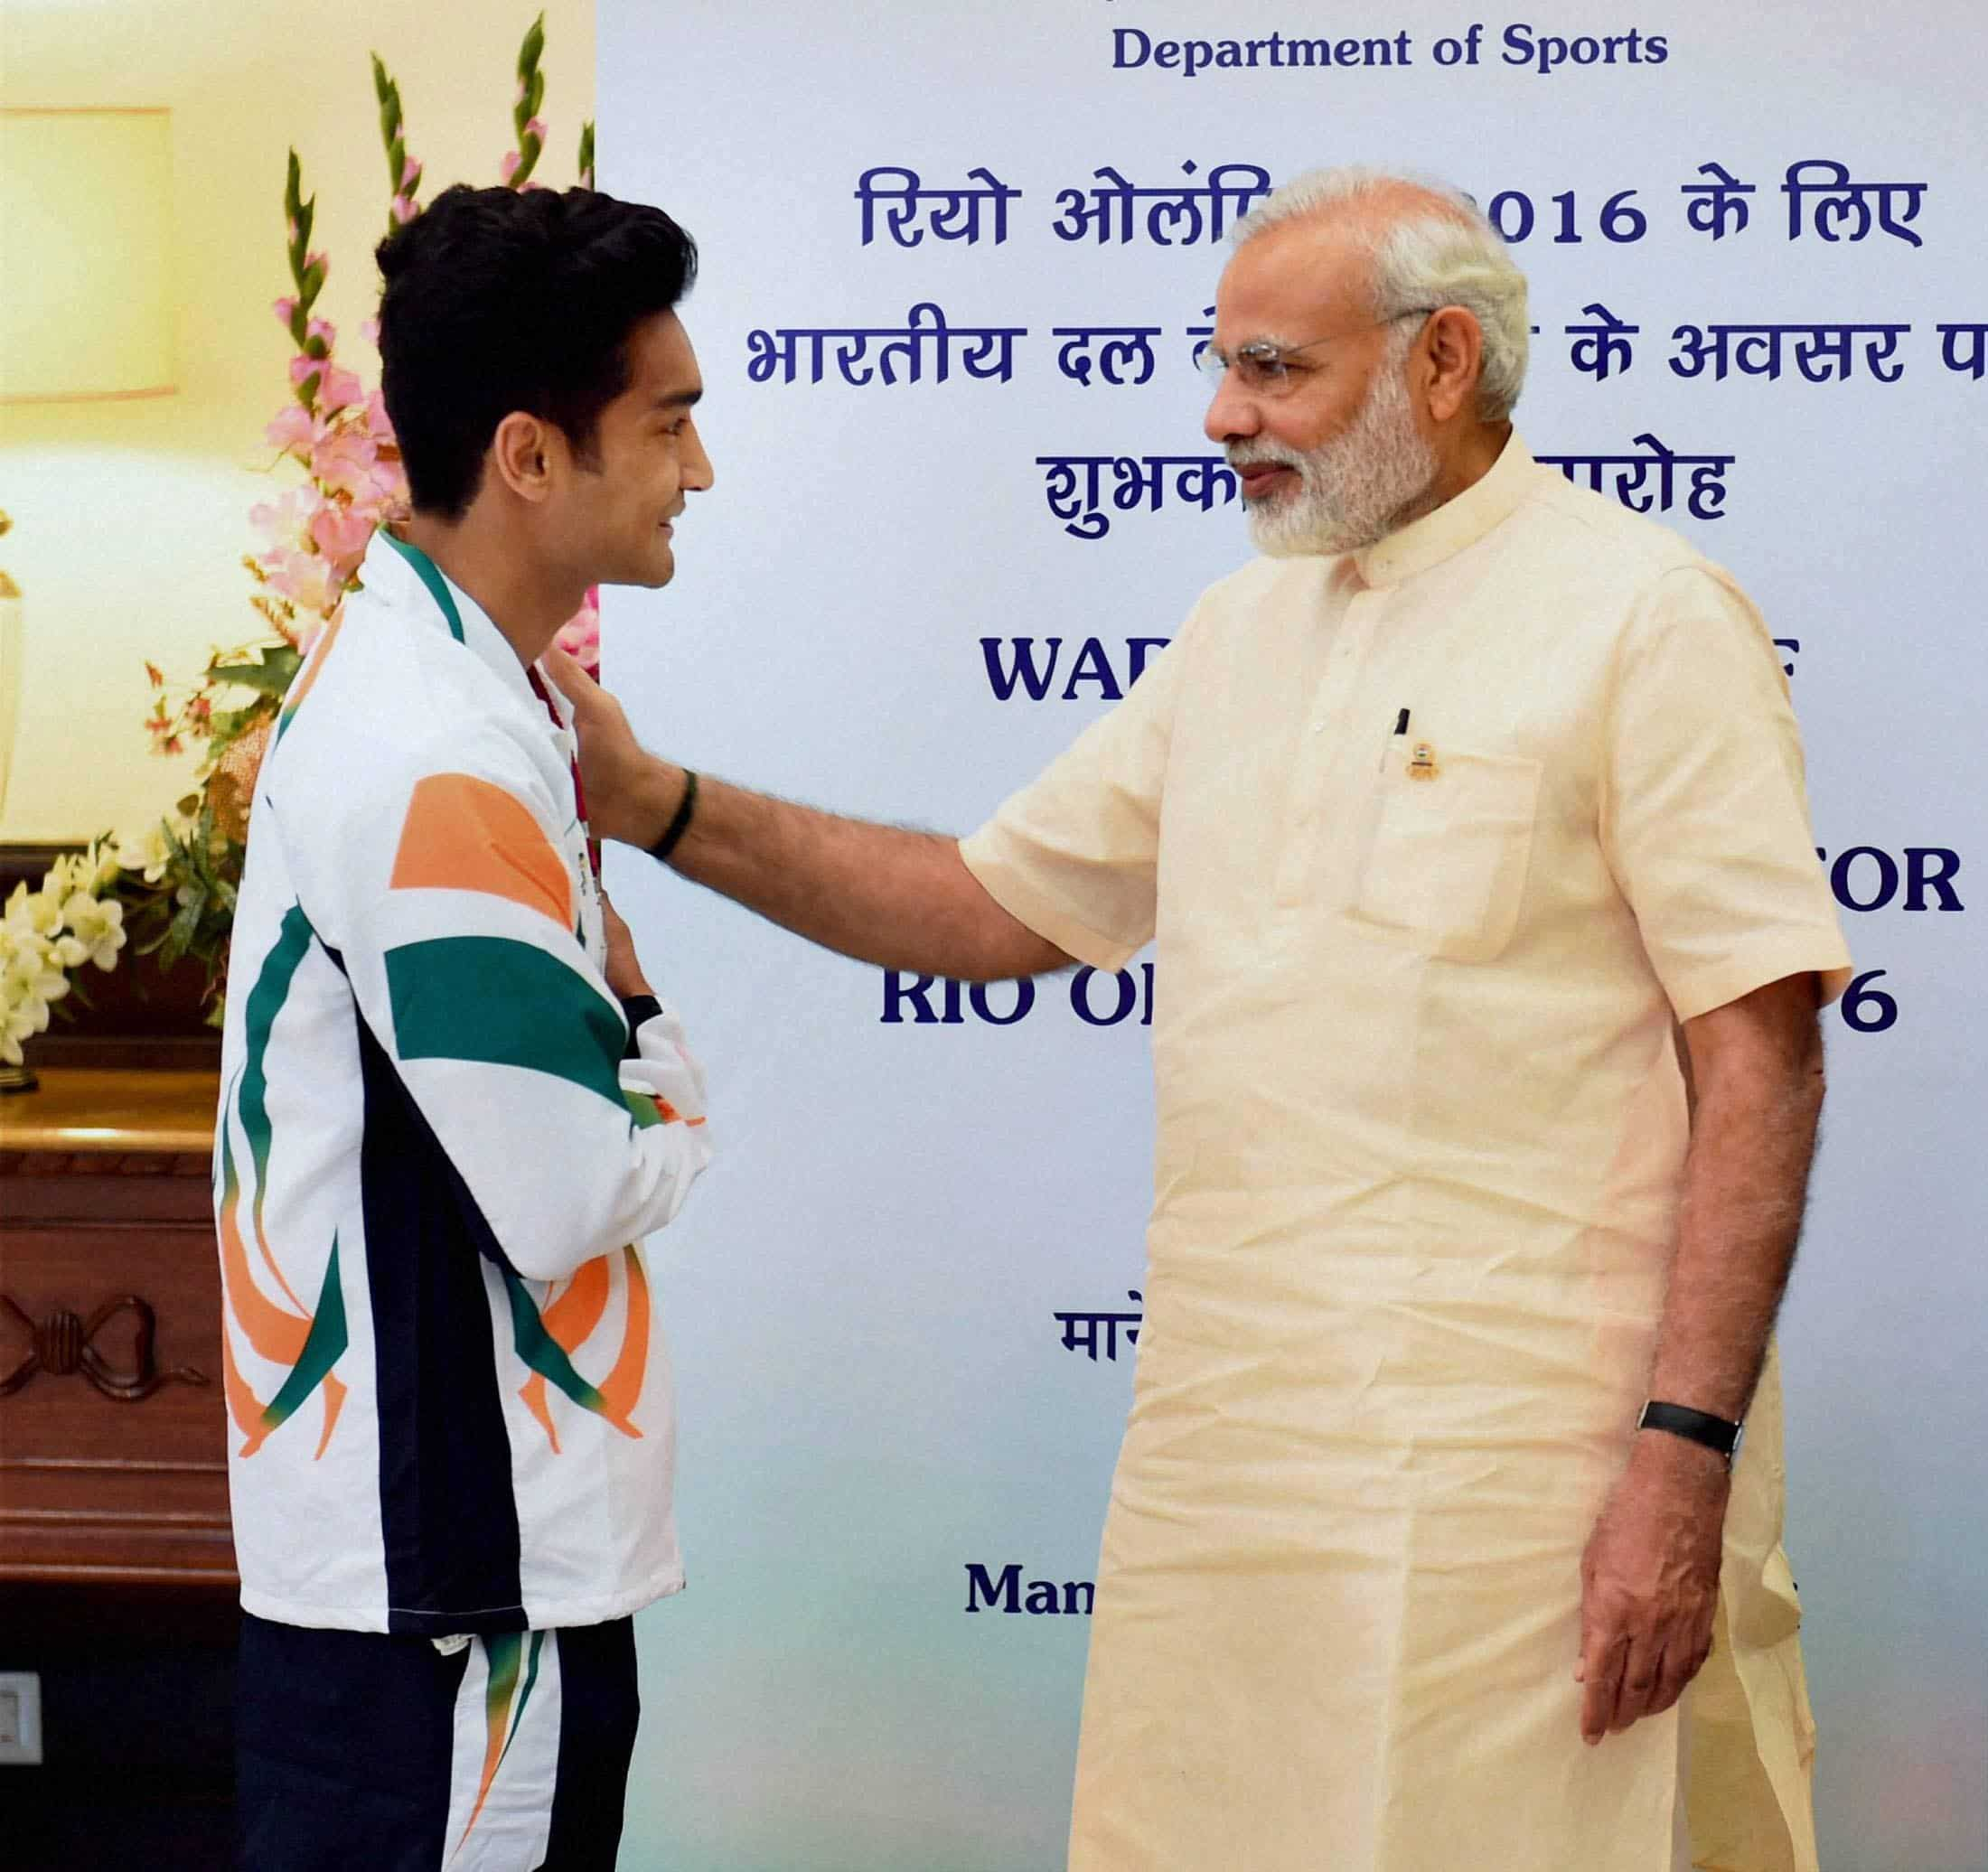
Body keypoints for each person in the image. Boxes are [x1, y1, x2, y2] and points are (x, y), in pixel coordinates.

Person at [550, 167, 1851, 1870]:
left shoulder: (1645, 617)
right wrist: (656, 803)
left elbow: (1759, 1048)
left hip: (1515, 1480)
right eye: (1224, 367)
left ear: (1444, 361)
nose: (1223, 415)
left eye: (1275, 370)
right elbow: (988, 907)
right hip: (1229, 1460)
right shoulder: (1241, 634)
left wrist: (1682, 1461)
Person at [217, 183, 716, 1870]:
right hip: (462, 1613)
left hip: (429, 1592)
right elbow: (570, 1188)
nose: (697, 470)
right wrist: (659, 1054)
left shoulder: (445, 696)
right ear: (527, 454)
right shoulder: (434, 751)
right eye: (670, 422)